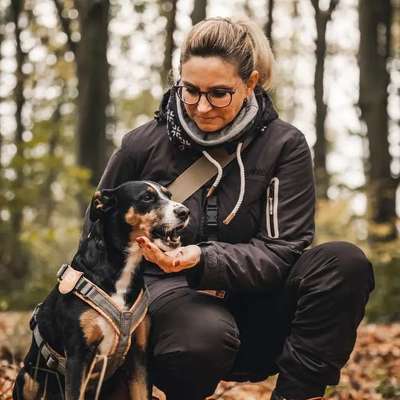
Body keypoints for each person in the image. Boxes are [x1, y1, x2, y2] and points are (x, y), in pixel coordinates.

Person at [83, 17, 374, 400]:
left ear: (250, 83)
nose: (202, 107)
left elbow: (283, 250)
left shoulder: (284, 146)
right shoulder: (142, 145)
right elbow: (96, 234)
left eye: (219, 93)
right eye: (190, 91)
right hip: (168, 308)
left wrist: (201, 258)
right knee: (204, 336)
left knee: (344, 262)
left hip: (259, 309)